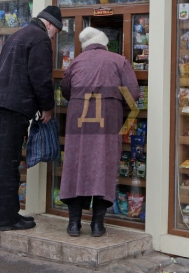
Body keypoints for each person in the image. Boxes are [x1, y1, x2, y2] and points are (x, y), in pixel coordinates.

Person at [60, 27, 139, 237]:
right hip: (107, 119)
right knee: (104, 165)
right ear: (104, 43)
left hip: (78, 119)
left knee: (75, 166)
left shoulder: (76, 62)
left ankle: (74, 224)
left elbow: (66, 90)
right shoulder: (118, 60)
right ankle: (97, 225)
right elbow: (134, 94)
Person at [0, 6, 62, 231]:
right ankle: (9, 219)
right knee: (10, 163)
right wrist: (47, 107)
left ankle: (6, 214)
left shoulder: (18, 34)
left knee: (3, 161)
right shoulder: (39, 39)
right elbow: (41, 78)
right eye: (56, 32)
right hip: (15, 106)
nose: (54, 36)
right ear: (49, 24)